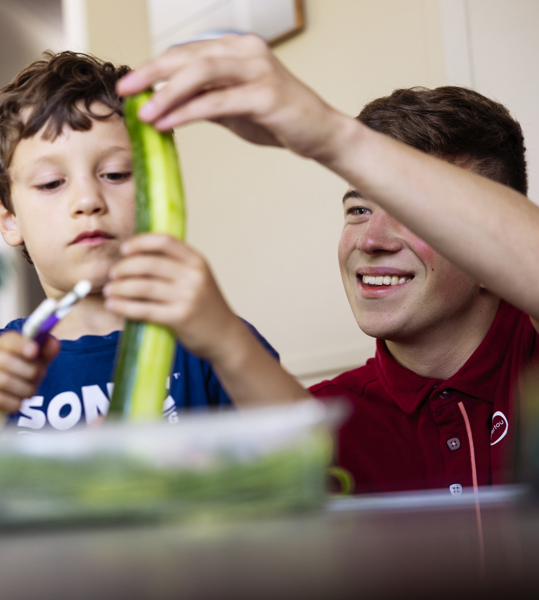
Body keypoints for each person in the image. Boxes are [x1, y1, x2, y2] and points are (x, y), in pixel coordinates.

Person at [116, 33, 539, 494]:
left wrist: (332, 136)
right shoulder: (317, 421)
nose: (370, 240)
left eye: (415, 215)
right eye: (359, 210)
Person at [0, 50, 309, 432]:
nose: (88, 200)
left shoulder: (207, 342)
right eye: (51, 183)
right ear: (9, 220)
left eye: (115, 173)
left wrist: (227, 339)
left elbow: (314, 455)